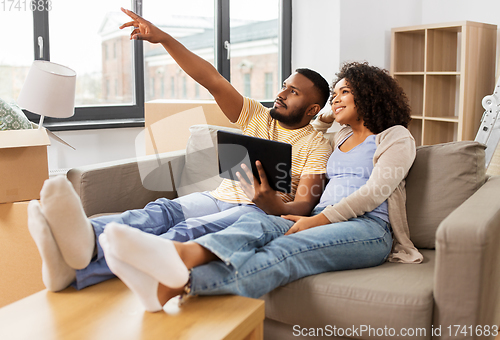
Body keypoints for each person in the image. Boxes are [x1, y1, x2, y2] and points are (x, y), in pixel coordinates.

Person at [27, 8, 332, 292]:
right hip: (219, 197)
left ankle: (79, 272)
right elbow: (210, 78)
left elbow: (303, 206)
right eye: (283, 85)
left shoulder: (316, 146)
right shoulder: (256, 115)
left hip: (254, 211)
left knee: (187, 231)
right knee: (159, 212)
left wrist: (273, 204)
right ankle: (85, 236)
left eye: (293, 92)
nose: (280, 94)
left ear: (312, 109)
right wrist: (164, 39)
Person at [97, 61, 425, 313]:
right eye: (334, 93)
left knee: (284, 251)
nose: (335, 100)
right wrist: (331, 111)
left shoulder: (394, 136)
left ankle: (176, 280)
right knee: (256, 220)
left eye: (344, 92)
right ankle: (176, 261)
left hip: (368, 228)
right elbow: (320, 119)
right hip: (327, 216)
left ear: (369, 95)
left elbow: (374, 192)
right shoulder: (341, 135)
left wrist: (315, 220)